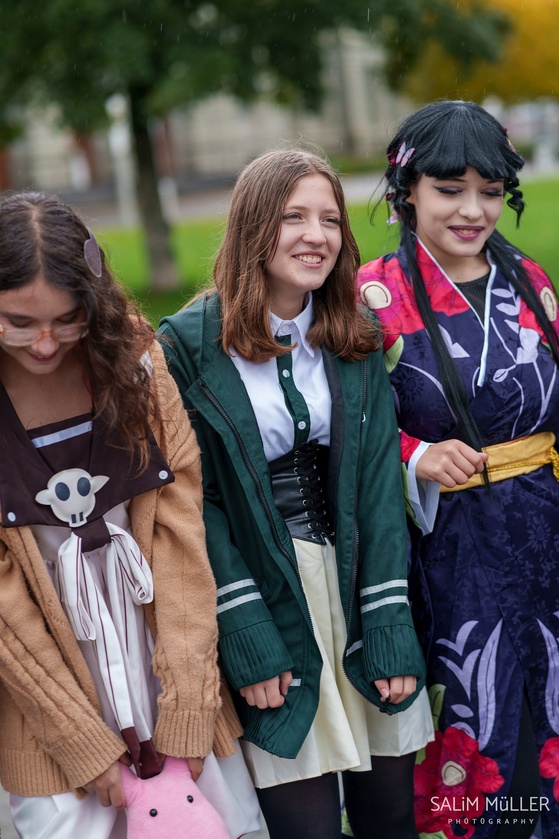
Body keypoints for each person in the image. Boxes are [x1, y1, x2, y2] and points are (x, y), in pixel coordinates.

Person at [158, 147, 433, 839]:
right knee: (304, 824)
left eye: (330, 219)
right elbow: (194, 501)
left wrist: (389, 624)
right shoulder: (187, 346)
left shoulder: (352, 334)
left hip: (360, 585)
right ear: (253, 226)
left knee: (391, 813)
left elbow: (374, 486)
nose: (317, 234)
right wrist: (247, 631)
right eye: (293, 217)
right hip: (267, 593)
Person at [0, 191, 259, 839]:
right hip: (49, 682)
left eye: (66, 319)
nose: (44, 342)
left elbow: (178, 537)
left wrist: (188, 709)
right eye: (18, 321)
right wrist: (81, 742)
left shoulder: (136, 363)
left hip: (158, 651)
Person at [357, 100, 559, 839]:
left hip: (543, 528)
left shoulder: (528, 277)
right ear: (406, 189)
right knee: (475, 714)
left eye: (489, 190)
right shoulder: (370, 294)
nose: (473, 210)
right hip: (451, 552)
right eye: (449, 189)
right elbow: (349, 432)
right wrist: (416, 454)